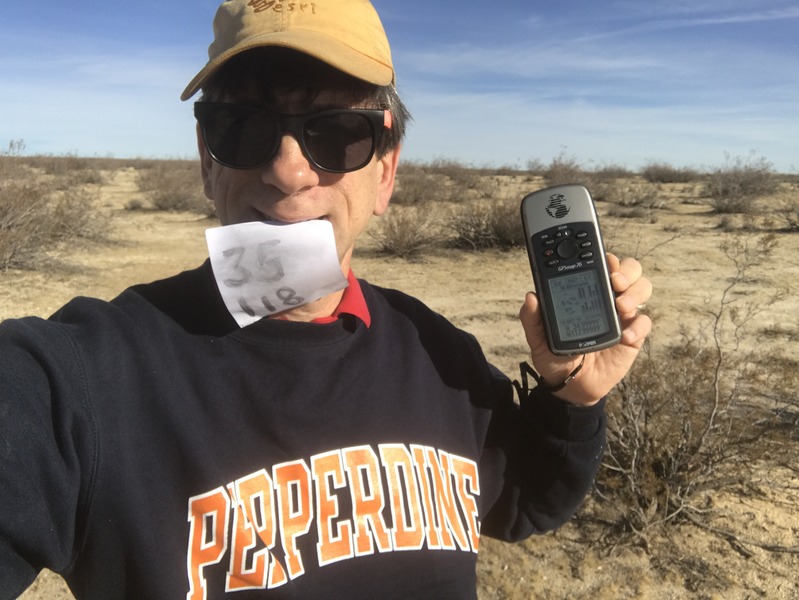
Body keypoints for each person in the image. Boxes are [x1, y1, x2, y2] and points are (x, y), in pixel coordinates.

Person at [0, 1, 652, 598]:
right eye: (242, 127)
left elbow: (523, 502)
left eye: (339, 133)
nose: (287, 172)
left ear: (385, 173)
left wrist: (571, 397)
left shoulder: (436, 351)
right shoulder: (76, 377)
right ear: (206, 159)